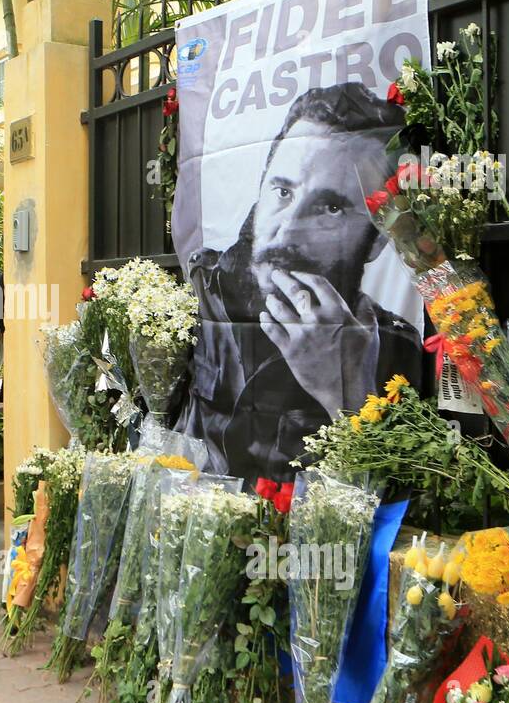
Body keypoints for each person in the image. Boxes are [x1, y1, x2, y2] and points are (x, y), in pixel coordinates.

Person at [177, 83, 422, 484]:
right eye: (282, 191)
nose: (287, 231)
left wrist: (346, 389)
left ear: (379, 236)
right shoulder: (202, 292)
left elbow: (390, 495)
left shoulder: (397, 347)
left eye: (330, 208)